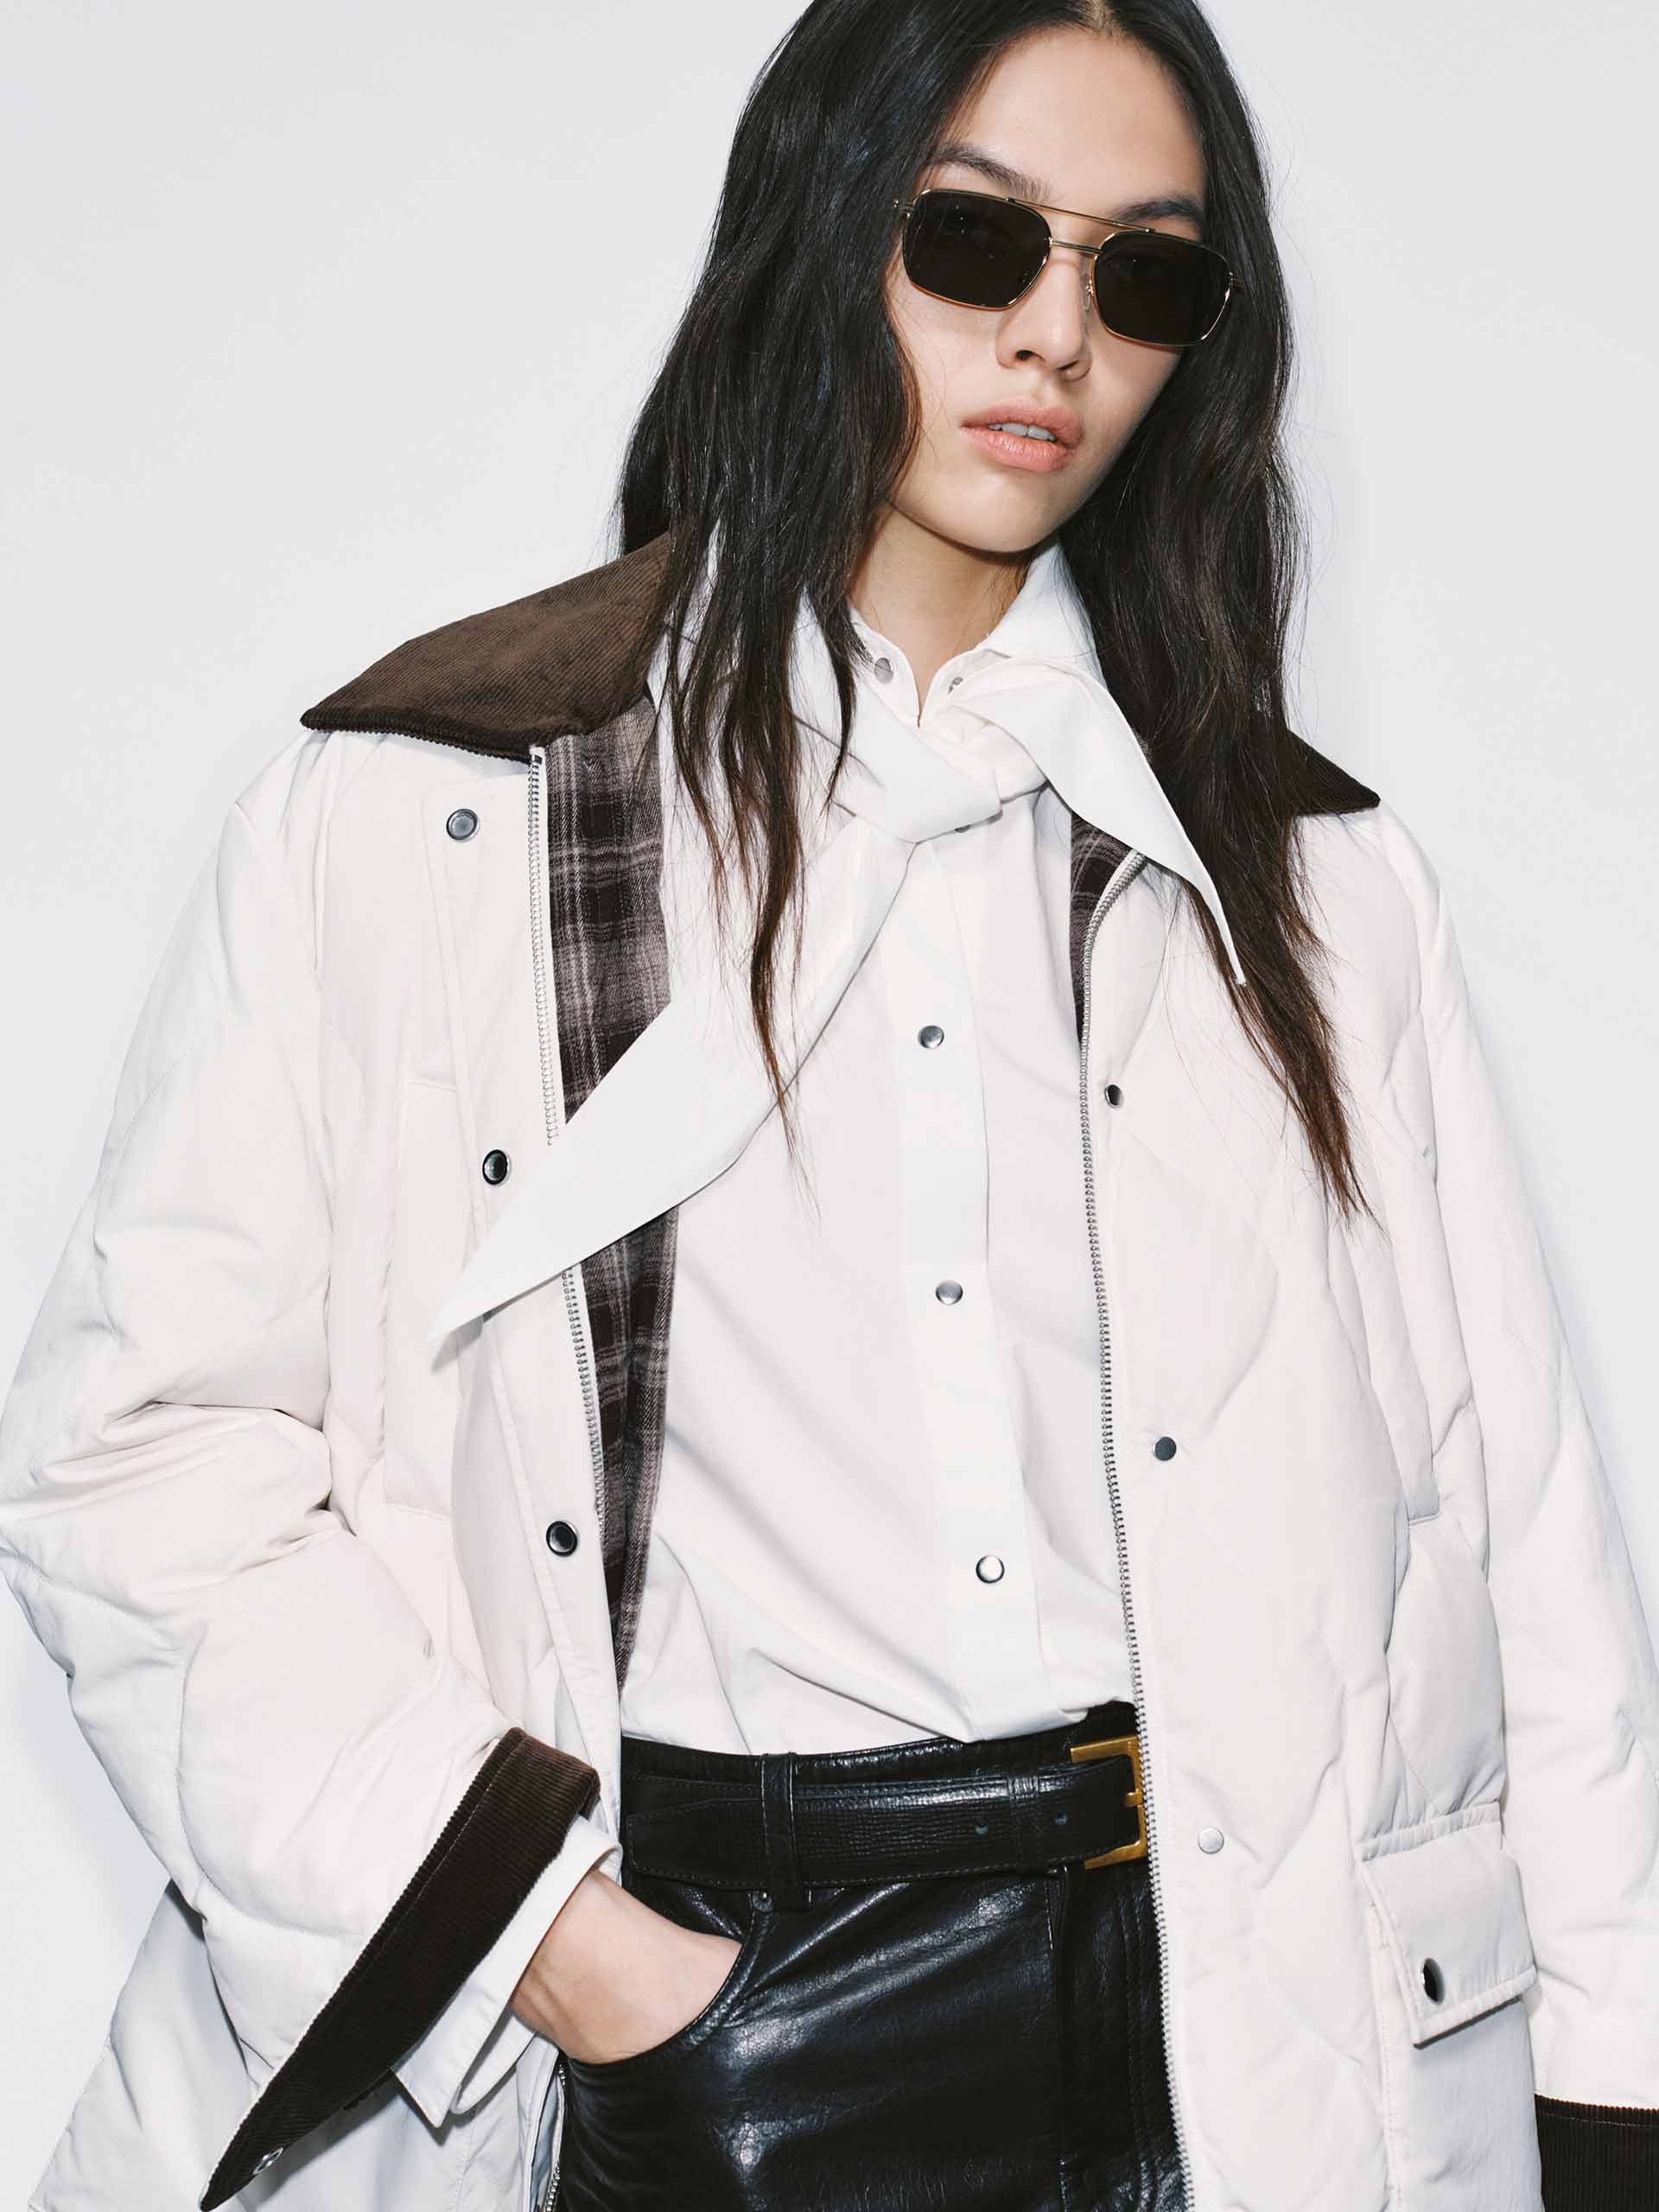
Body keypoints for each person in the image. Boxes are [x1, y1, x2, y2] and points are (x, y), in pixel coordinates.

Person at [3, 1, 1656, 2207]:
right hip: (713, 1997)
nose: (1055, 335)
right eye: (976, 240)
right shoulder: (437, 808)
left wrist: (1613, 2093)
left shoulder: (1320, 881)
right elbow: (139, 1458)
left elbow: (1518, 1533)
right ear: (822, 228)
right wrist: (581, 1963)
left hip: (1231, 2009)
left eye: (1144, 276)